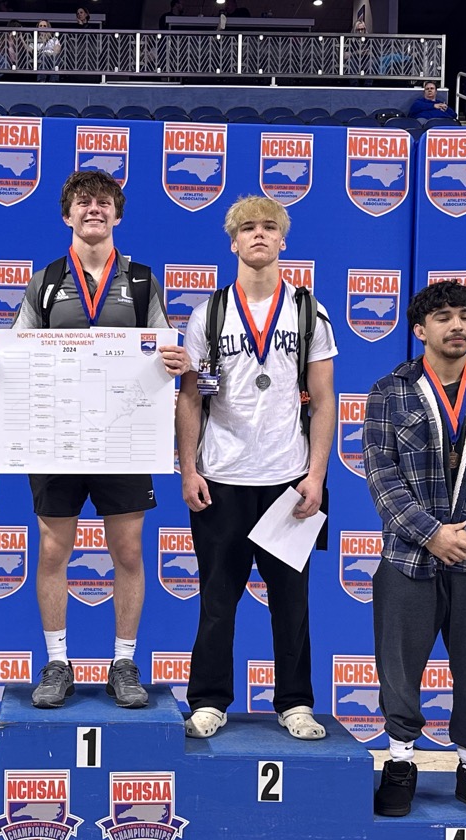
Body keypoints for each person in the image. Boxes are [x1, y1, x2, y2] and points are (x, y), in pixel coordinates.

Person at [0, 171, 189, 712]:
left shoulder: (142, 281)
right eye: (83, 202)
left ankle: (124, 663)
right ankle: (57, 662)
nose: (94, 209)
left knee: (128, 552)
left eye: (104, 202)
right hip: (55, 439)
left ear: (118, 214)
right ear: (67, 214)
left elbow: (167, 347)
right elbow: (15, 347)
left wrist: (177, 359)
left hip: (123, 439)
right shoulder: (45, 281)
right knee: (53, 551)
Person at [362, 280, 466, 822]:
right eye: (443, 317)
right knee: (399, 669)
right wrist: (431, 533)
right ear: (420, 329)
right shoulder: (390, 391)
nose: (456, 325)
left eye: (465, 315)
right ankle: (400, 762)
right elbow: (381, 474)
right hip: (408, 558)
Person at [175, 196, 337, 742]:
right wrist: (188, 469)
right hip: (221, 478)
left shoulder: (309, 312)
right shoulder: (209, 314)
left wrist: (315, 476)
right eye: (248, 228)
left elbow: (324, 399)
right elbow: (191, 397)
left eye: (270, 227)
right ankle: (208, 701)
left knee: (291, 603)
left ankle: (295, 702)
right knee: (217, 602)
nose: (259, 235)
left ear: (283, 241)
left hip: (287, 480)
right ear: (234, 242)